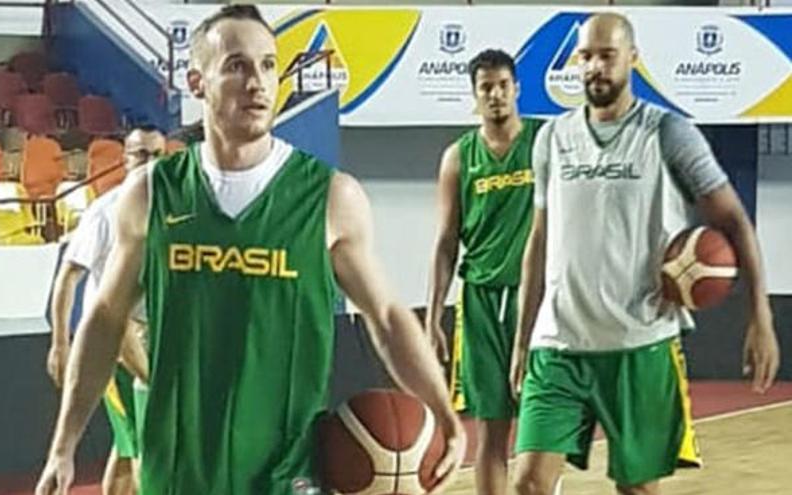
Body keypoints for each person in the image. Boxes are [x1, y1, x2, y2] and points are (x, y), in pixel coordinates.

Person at [35, 5, 465, 495]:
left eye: (267, 65)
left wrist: (444, 411)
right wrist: (63, 445)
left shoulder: (330, 197)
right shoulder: (152, 193)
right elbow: (107, 318)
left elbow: (386, 316)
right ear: (198, 82)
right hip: (174, 468)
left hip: (284, 472)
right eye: (237, 65)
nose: (257, 82)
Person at [509, 13, 781, 495]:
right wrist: (521, 339)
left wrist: (759, 316)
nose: (595, 67)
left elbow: (735, 222)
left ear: (632, 59)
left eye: (607, 55)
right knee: (528, 482)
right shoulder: (551, 138)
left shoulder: (668, 134)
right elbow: (539, 239)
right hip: (558, 346)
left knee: (637, 489)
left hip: (640, 344)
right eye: (587, 56)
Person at [425, 48, 540, 495]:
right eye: (485, 88)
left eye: (502, 86)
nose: (495, 95)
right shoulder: (458, 157)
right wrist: (434, 316)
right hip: (479, 301)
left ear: (517, 89)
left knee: (539, 428)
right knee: (491, 431)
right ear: (474, 96)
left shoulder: (543, 144)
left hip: (537, 299)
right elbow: (446, 241)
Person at [46, 127, 166, 494]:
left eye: (158, 155)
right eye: (142, 155)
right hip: (116, 343)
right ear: (125, 159)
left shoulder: (173, 209)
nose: (151, 164)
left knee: (128, 442)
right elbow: (67, 277)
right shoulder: (105, 212)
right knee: (148, 442)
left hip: (156, 333)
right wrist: (61, 343)